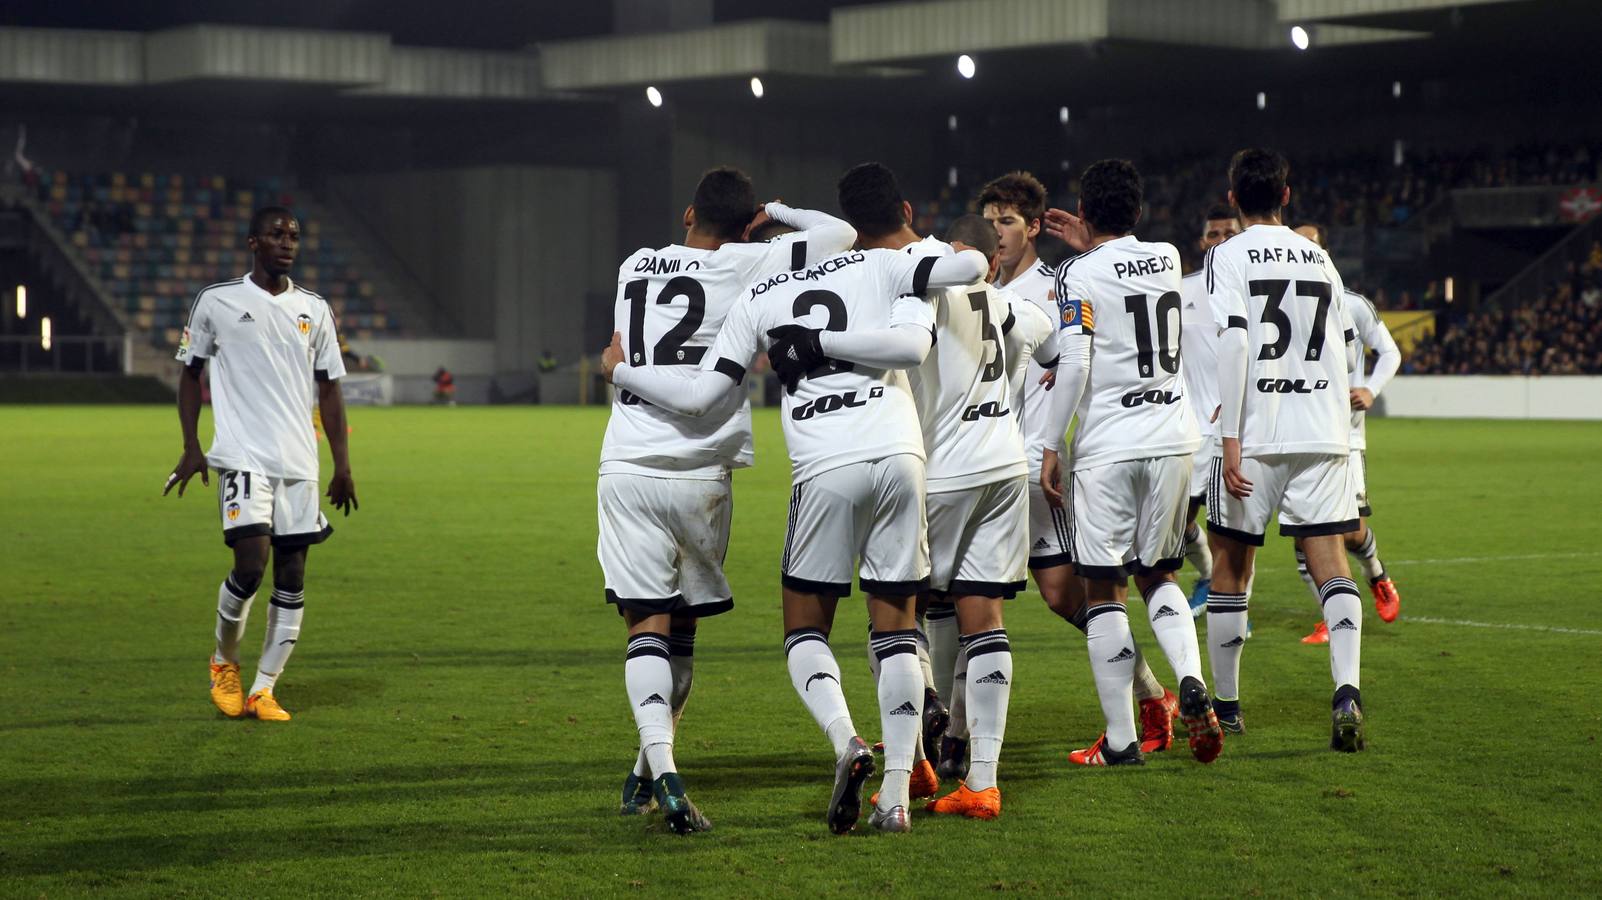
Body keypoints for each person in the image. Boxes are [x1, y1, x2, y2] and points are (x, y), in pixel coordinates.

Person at [602, 163, 987, 833]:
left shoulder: (744, 287)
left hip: (806, 461)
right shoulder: (871, 265)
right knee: (896, 628)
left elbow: (701, 394)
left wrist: (619, 370)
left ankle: (838, 739)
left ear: (691, 217)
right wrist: (782, 215)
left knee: (800, 630)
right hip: (898, 452)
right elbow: (966, 265)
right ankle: (896, 794)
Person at [597, 166, 856, 834]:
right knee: (679, 631)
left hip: (626, 463)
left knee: (645, 627)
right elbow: (839, 233)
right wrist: (773, 211)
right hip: (703, 474)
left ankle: (656, 771)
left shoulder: (634, 265)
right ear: (746, 226)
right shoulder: (755, 262)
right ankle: (651, 769)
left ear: (688, 215)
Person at [808, 200, 1057, 820]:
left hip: (940, 471)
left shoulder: (922, 303)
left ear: (947, 256)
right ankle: (982, 781)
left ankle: (909, 766)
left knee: (894, 615)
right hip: (1005, 468)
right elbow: (1060, 348)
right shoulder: (1016, 308)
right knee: (985, 616)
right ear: (992, 261)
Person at [986, 171, 1183, 766]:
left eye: (1009, 222)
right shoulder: (974, 282)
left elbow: (1069, 362)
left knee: (1051, 591)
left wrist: (1051, 445)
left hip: (1032, 461)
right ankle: (1154, 693)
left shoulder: (1055, 287)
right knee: (1054, 594)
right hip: (985, 458)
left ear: (1035, 228)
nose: (997, 233)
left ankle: (942, 739)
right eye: (990, 220)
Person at [1034, 160, 1223, 767]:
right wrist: (1094, 242)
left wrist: (1051, 444)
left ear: (1084, 214)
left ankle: (1120, 740)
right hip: (1173, 437)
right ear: (1139, 212)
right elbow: (1125, 270)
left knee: (1104, 587)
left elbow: (1077, 362)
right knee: (1160, 574)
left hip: (1110, 445)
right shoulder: (1167, 256)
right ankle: (1191, 678)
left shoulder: (1074, 274)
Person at [166, 205, 357, 724]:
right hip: (243, 455)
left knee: (292, 574)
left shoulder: (314, 309)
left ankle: (263, 689)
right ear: (253, 242)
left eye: (293, 235)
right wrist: (191, 444)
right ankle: (224, 662)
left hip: (299, 461)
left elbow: (330, 389)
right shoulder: (217, 301)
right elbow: (190, 374)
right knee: (250, 566)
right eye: (276, 234)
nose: (287, 242)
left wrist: (342, 464)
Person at [1203, 149, 1367, 751]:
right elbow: (1346, 353)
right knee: (1331, 565)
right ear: (1287, 196)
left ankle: (1227, 705)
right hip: (1323, 430)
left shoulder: (1227, 254)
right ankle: (1347, 691)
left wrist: (1230, 438)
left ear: (1231, 199)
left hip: (1259, 431)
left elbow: (1235, 340)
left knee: (1232, 566)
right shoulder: (1320, 257)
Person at [1290, 224, 1402, 643]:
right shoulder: (1280, 307)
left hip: (1345, 437)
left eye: (1311, 246)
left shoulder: (1352, 305)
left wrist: (1370, 388)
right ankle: (1329, 616)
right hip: (1300, 434)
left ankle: (1376, 573)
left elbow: (1390, 350)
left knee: (1348, 528)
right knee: (1305, 534)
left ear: (1324, 252)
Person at [1179, 206, 1242, 617]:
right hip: (1186, 429)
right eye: (1212, 233)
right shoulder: (1179, 290)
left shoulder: (1252, 291)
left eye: (1228, 233)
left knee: (1230, 535)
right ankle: (1205, 577)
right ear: (1203, 242)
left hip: (1233, 430)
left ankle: (1235, 606)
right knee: (1174, 526)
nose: (1219, 239)